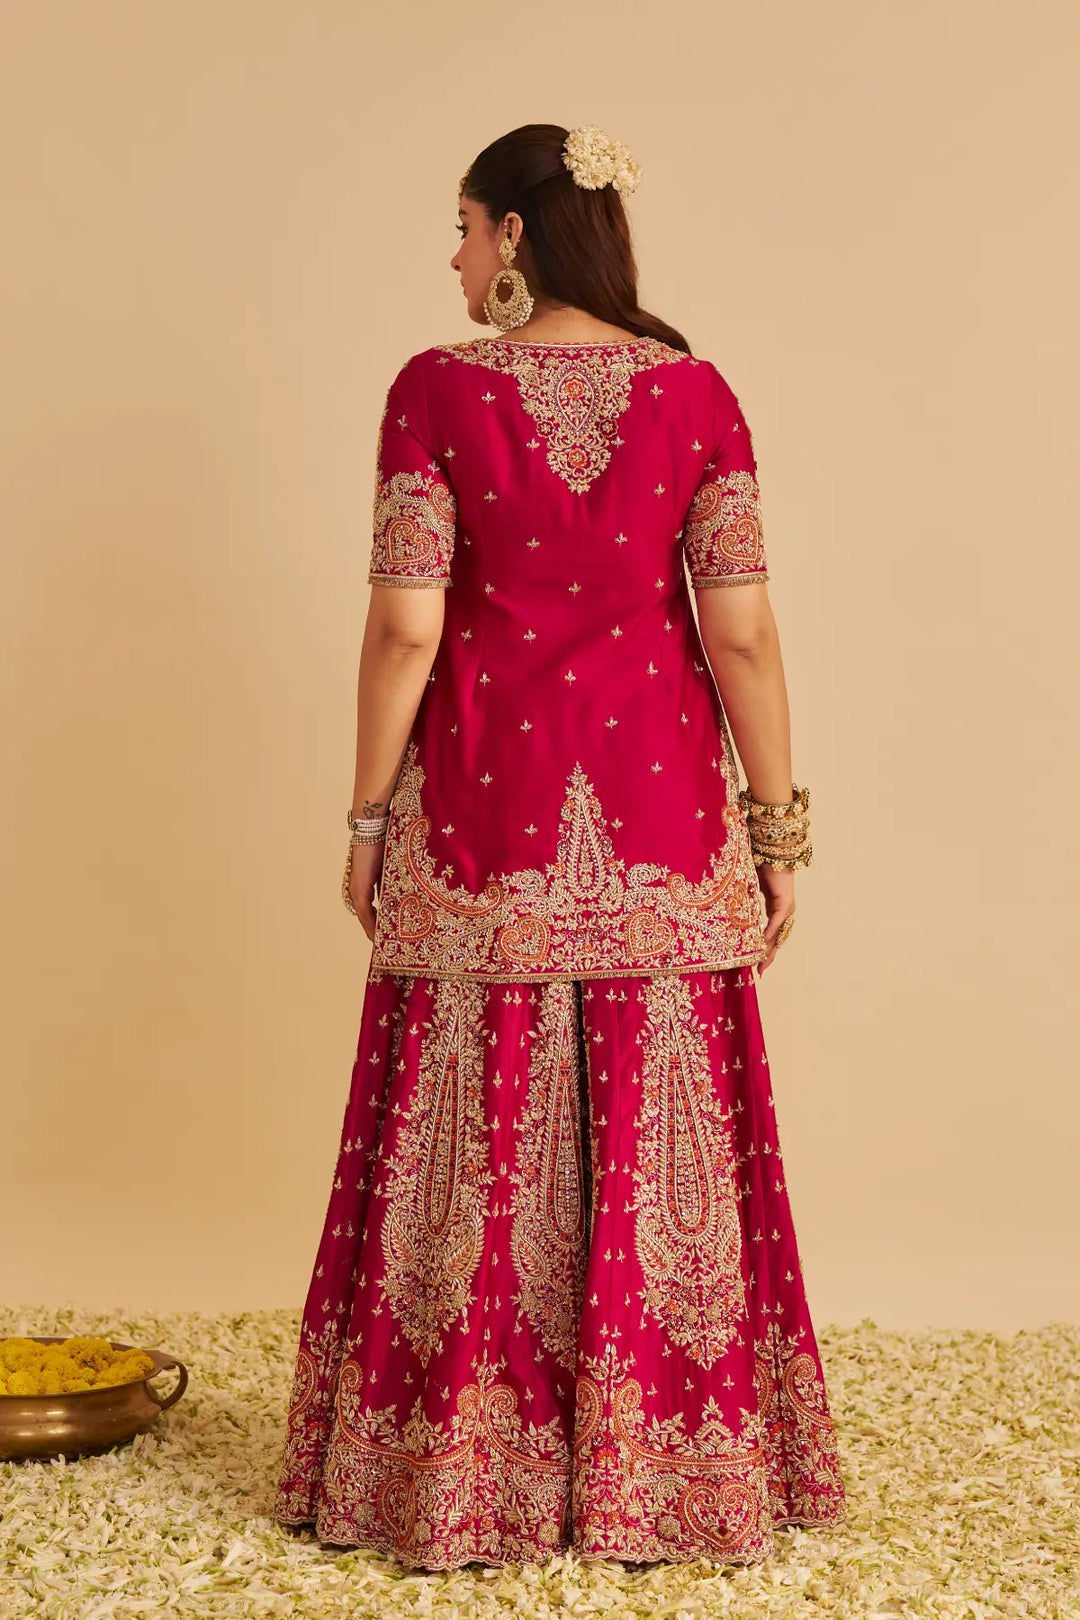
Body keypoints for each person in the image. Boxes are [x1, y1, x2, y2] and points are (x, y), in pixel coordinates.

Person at [273, 121, 847, 1572]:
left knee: (464, 1137)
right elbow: (744, 634)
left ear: (519, 236)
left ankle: (452, 1480)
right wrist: (780, 829)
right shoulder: (699, 395)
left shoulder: (435, 395)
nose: (454, 257)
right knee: (672, 1139)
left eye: (464, 228)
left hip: (481, 824)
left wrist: (361, 817)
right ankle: (682, 1478)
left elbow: (409, 623)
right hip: (662, 825)